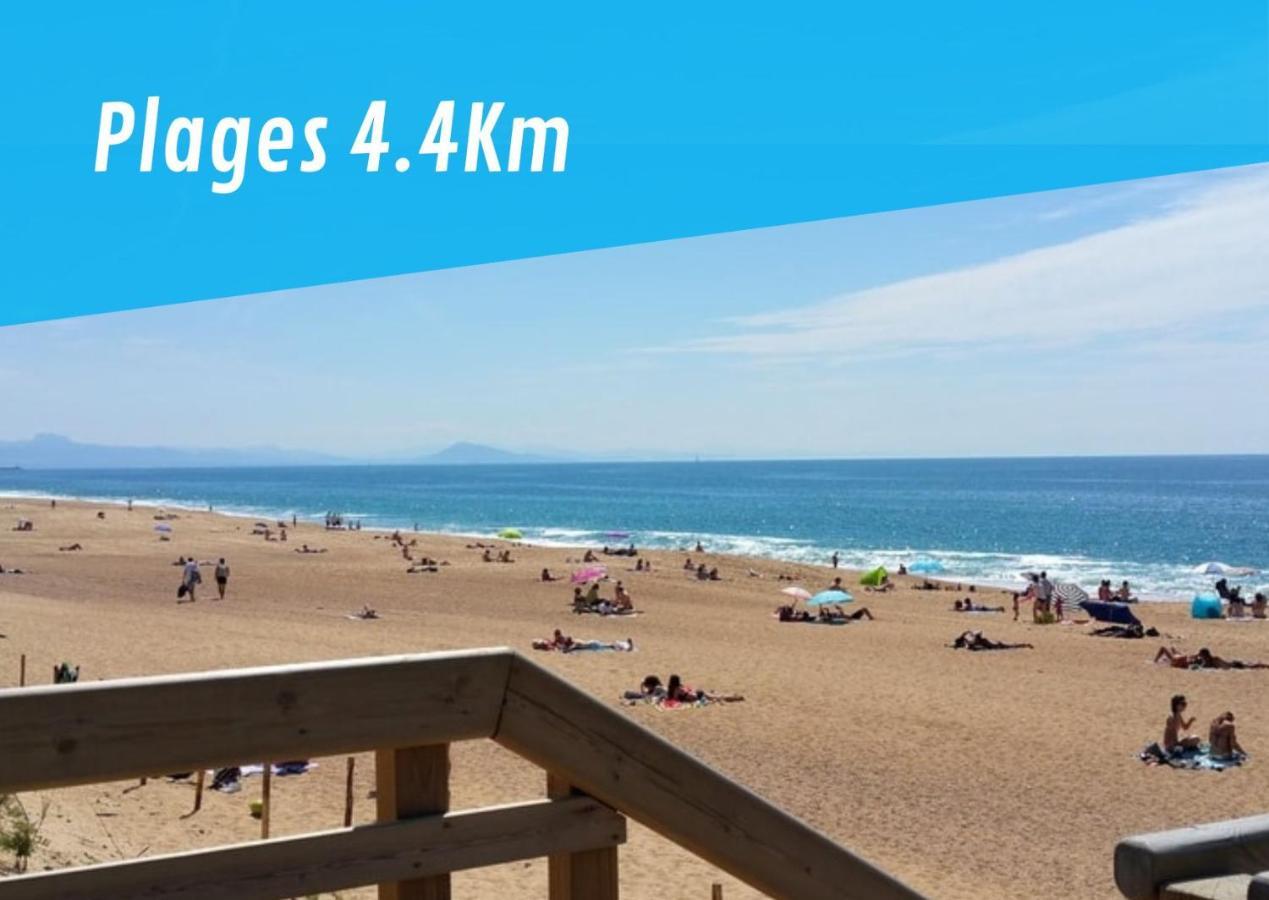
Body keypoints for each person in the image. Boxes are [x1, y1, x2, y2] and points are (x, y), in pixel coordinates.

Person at [949, 630, 1032, 651]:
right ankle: (1025, 645)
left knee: (1011, 645)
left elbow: (967, 645)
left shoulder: (970, 641)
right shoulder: (970, 640)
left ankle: (1025, 645)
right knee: (1012, 645)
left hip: (996, 645)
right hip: (995, 644)